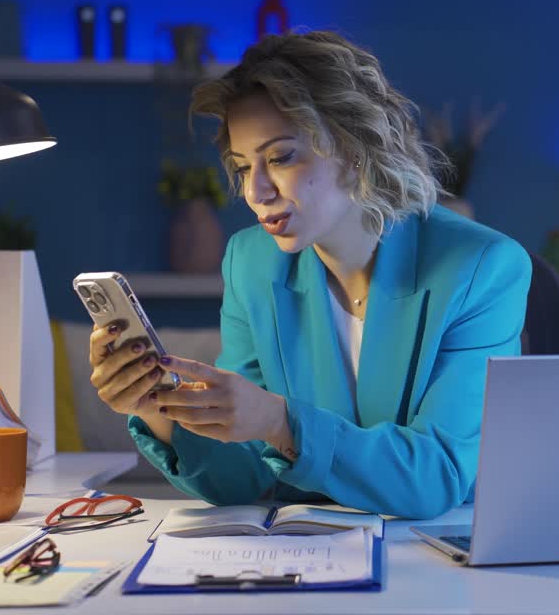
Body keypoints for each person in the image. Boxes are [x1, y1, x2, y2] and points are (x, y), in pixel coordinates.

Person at [88, 30, 531, 520]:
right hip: (302, 561)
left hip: (438, 560)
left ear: (355, 149)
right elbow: (244, 475)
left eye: (280, 158)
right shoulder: (251, 262)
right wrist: (155, 406)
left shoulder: (483, 268)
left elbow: (437, 474)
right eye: (242, 166)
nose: (256, 191)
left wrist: (281, 423)